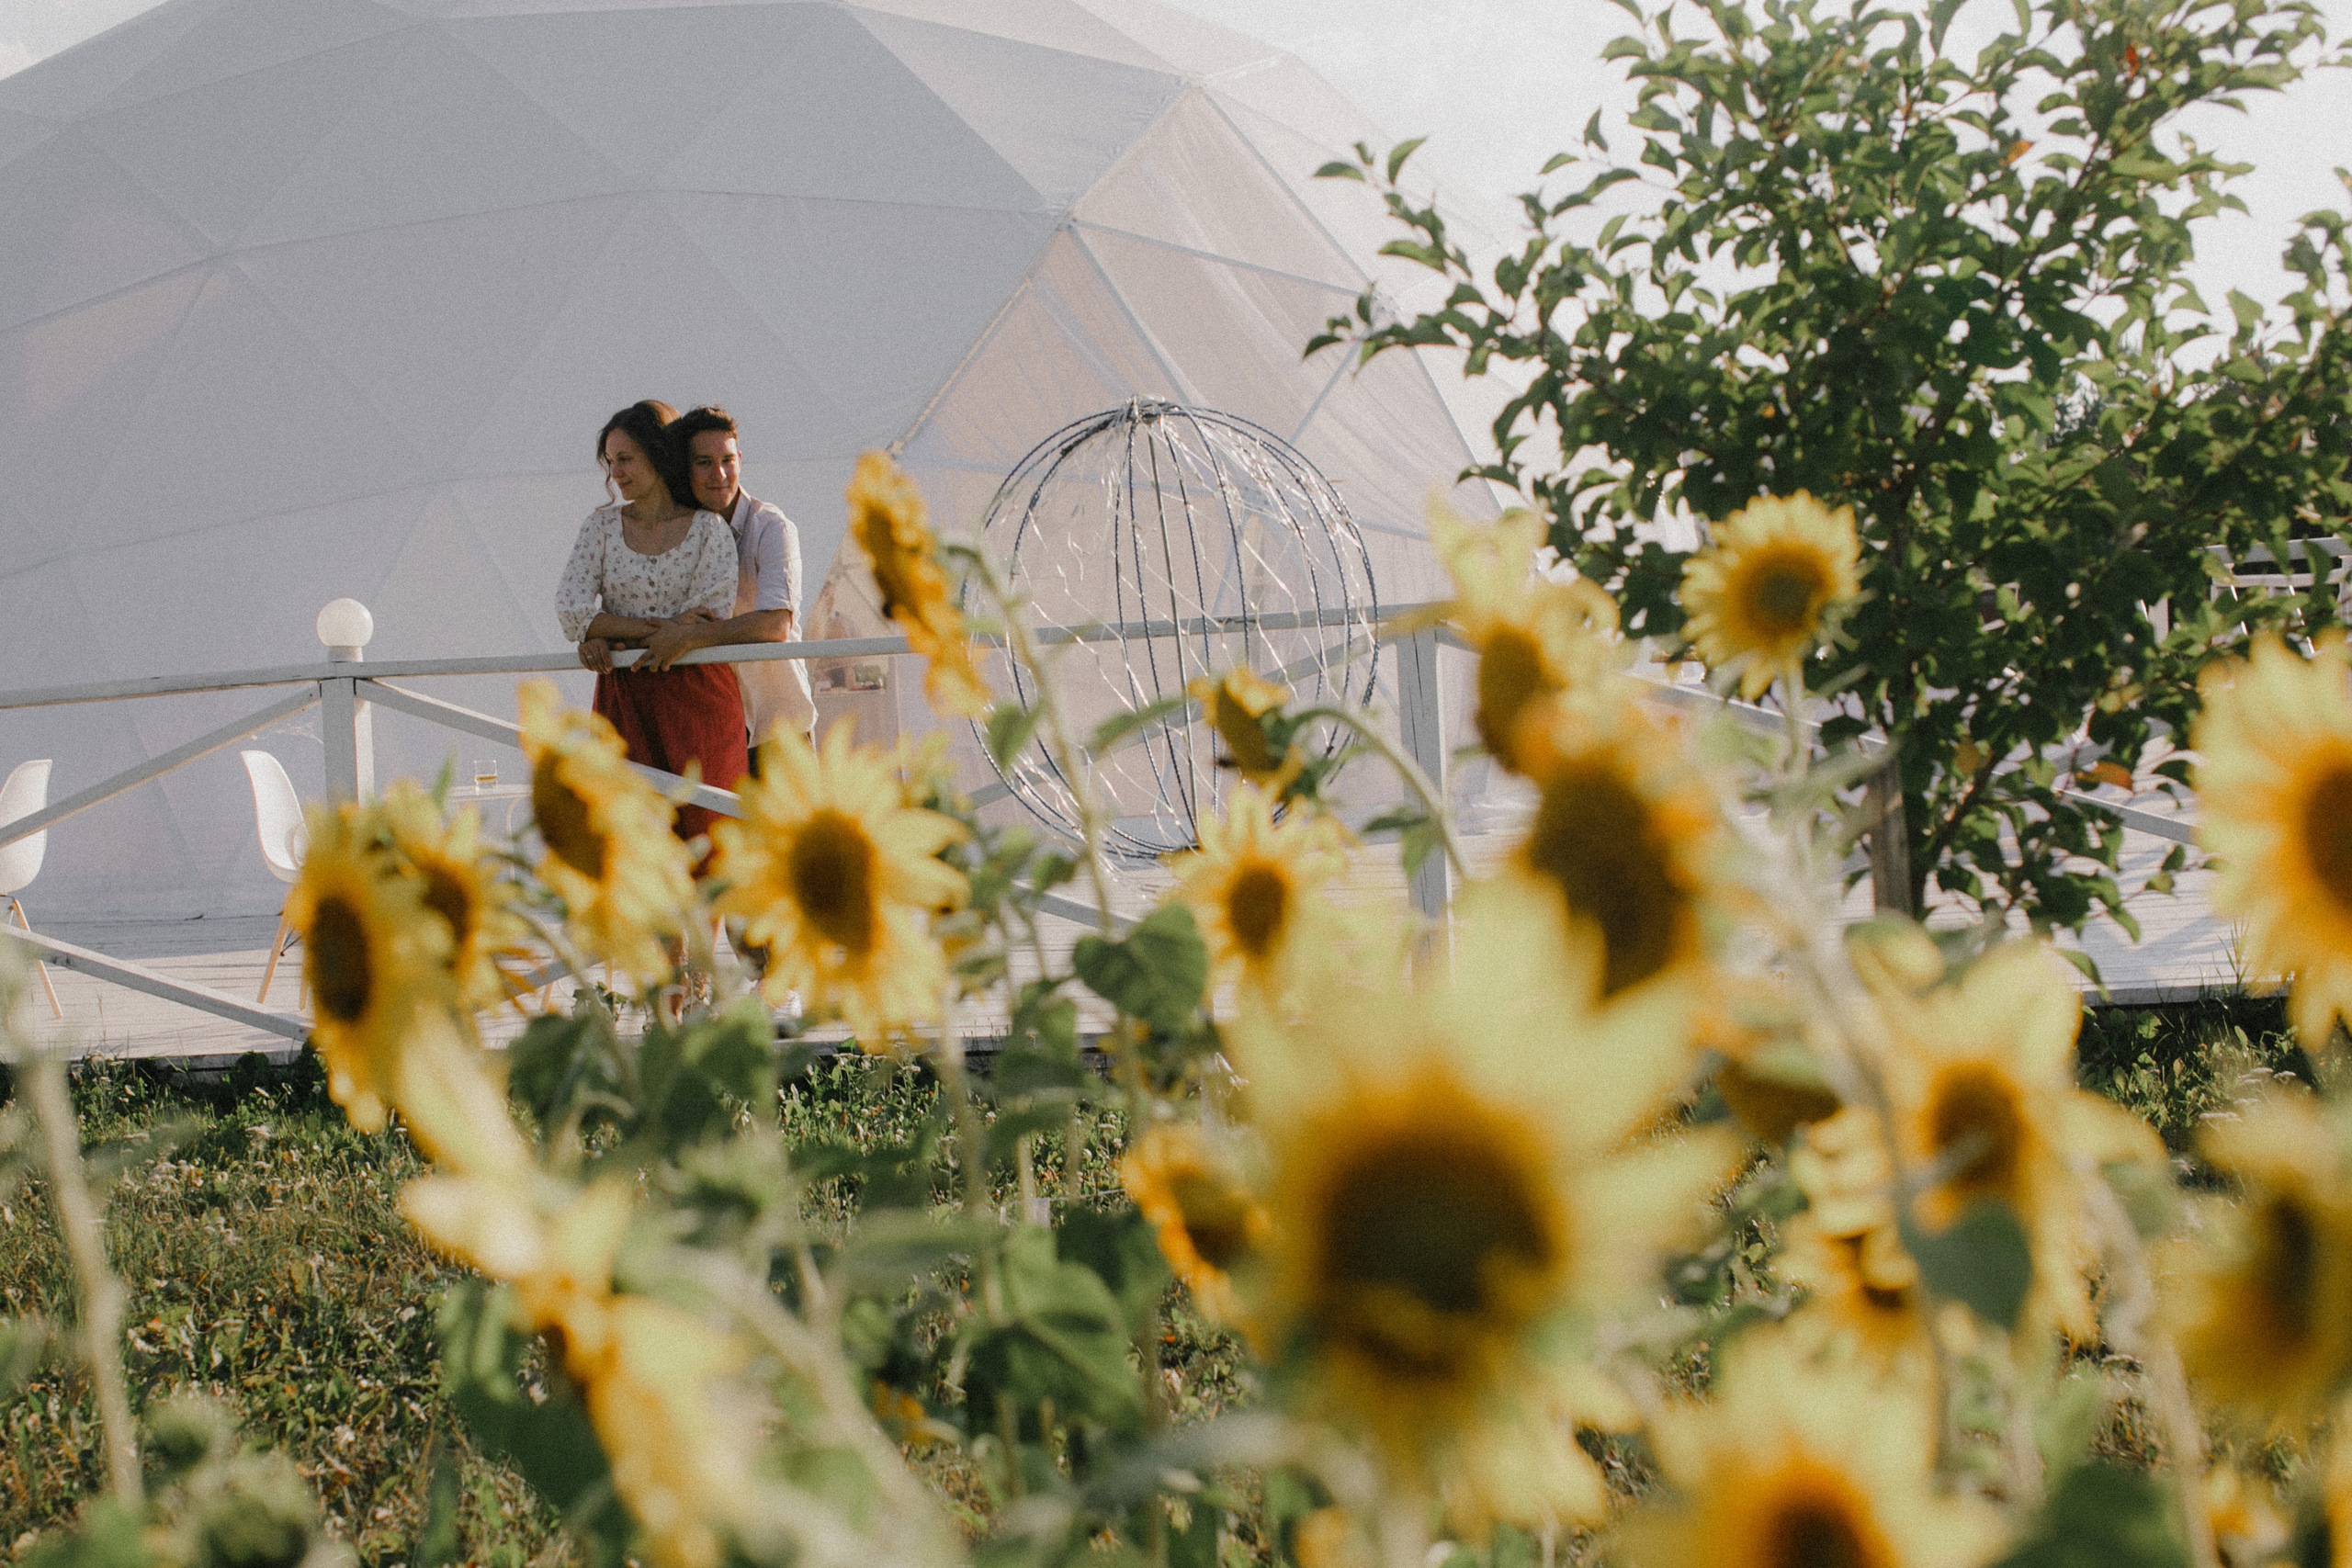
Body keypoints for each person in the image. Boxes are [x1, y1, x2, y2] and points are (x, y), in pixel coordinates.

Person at [554, 400, 749, 852]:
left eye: (626, 459)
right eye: (610, 461)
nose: (615, 473)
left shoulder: (707, 530)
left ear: (658, 455)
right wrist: (649, 630)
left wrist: (609, 630)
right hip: (628, 698)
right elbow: (570, 610)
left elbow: (708, 613)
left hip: (699, 696)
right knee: (633, 843)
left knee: (711, 839)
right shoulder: (600, 527)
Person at [640, 405, 817, 760]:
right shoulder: (677, 533)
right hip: (708, 729)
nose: (719, 473)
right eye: (704, 462)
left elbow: (775, 623)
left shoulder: (771, 527)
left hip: (777, 730)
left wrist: (690, 636)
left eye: (728, 459)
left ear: (740, 459)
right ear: (684, 469)